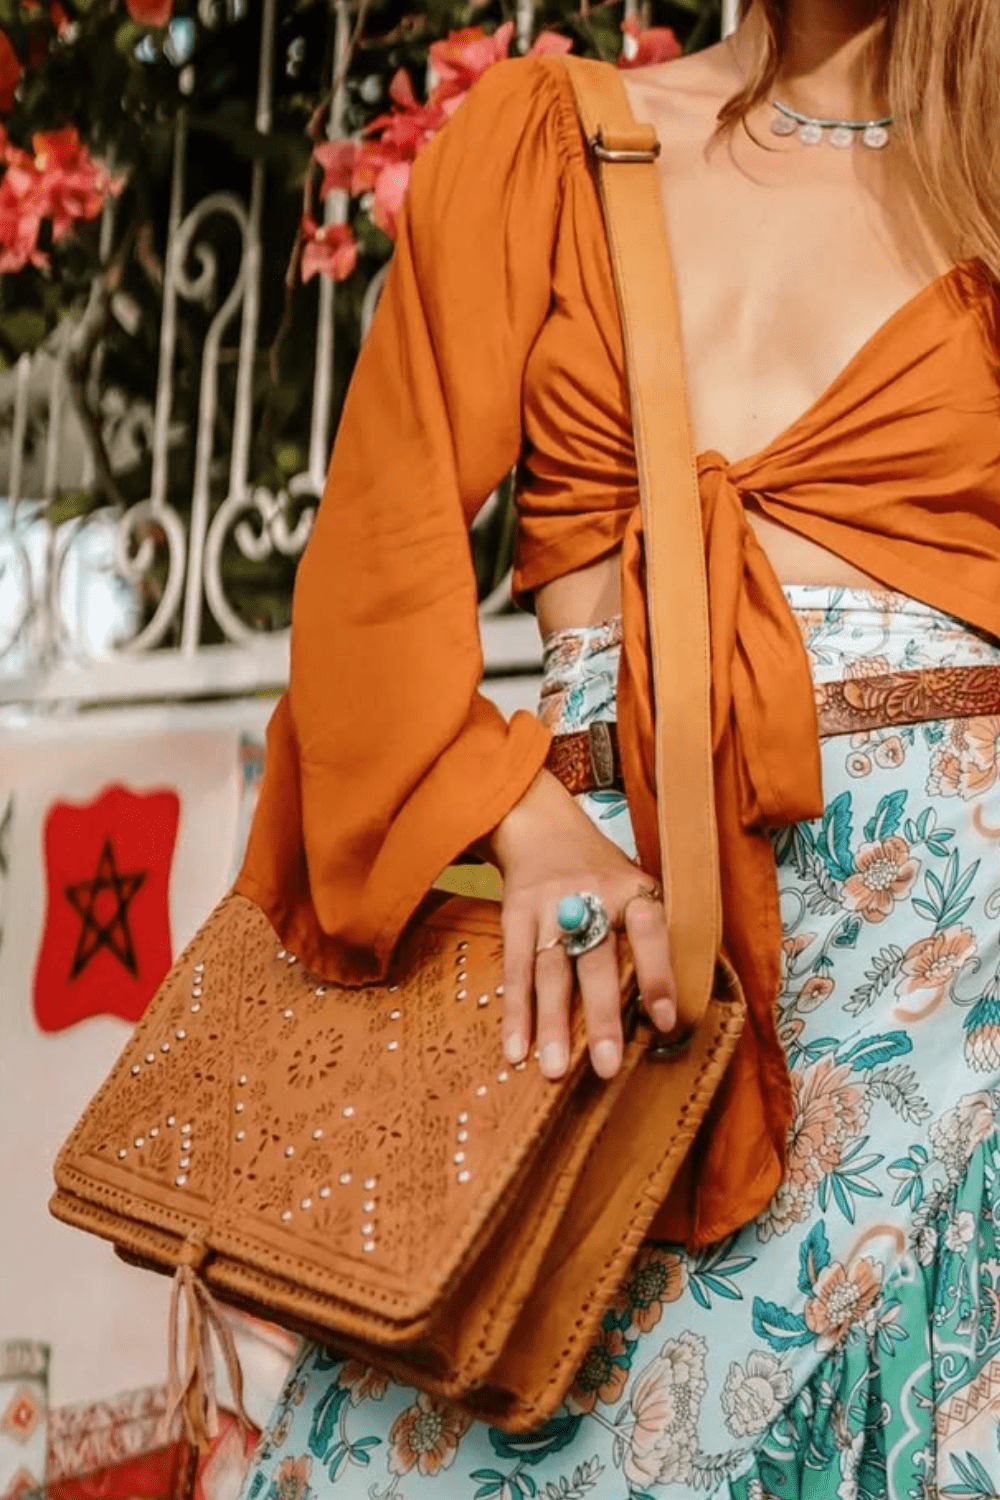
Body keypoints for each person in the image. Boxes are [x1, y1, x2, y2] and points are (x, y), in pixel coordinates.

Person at [234, 0, 1000, 1492]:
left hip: (955, 1045)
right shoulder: (544, 141)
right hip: (609, 1011)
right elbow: (367, 594)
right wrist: (529, 823)